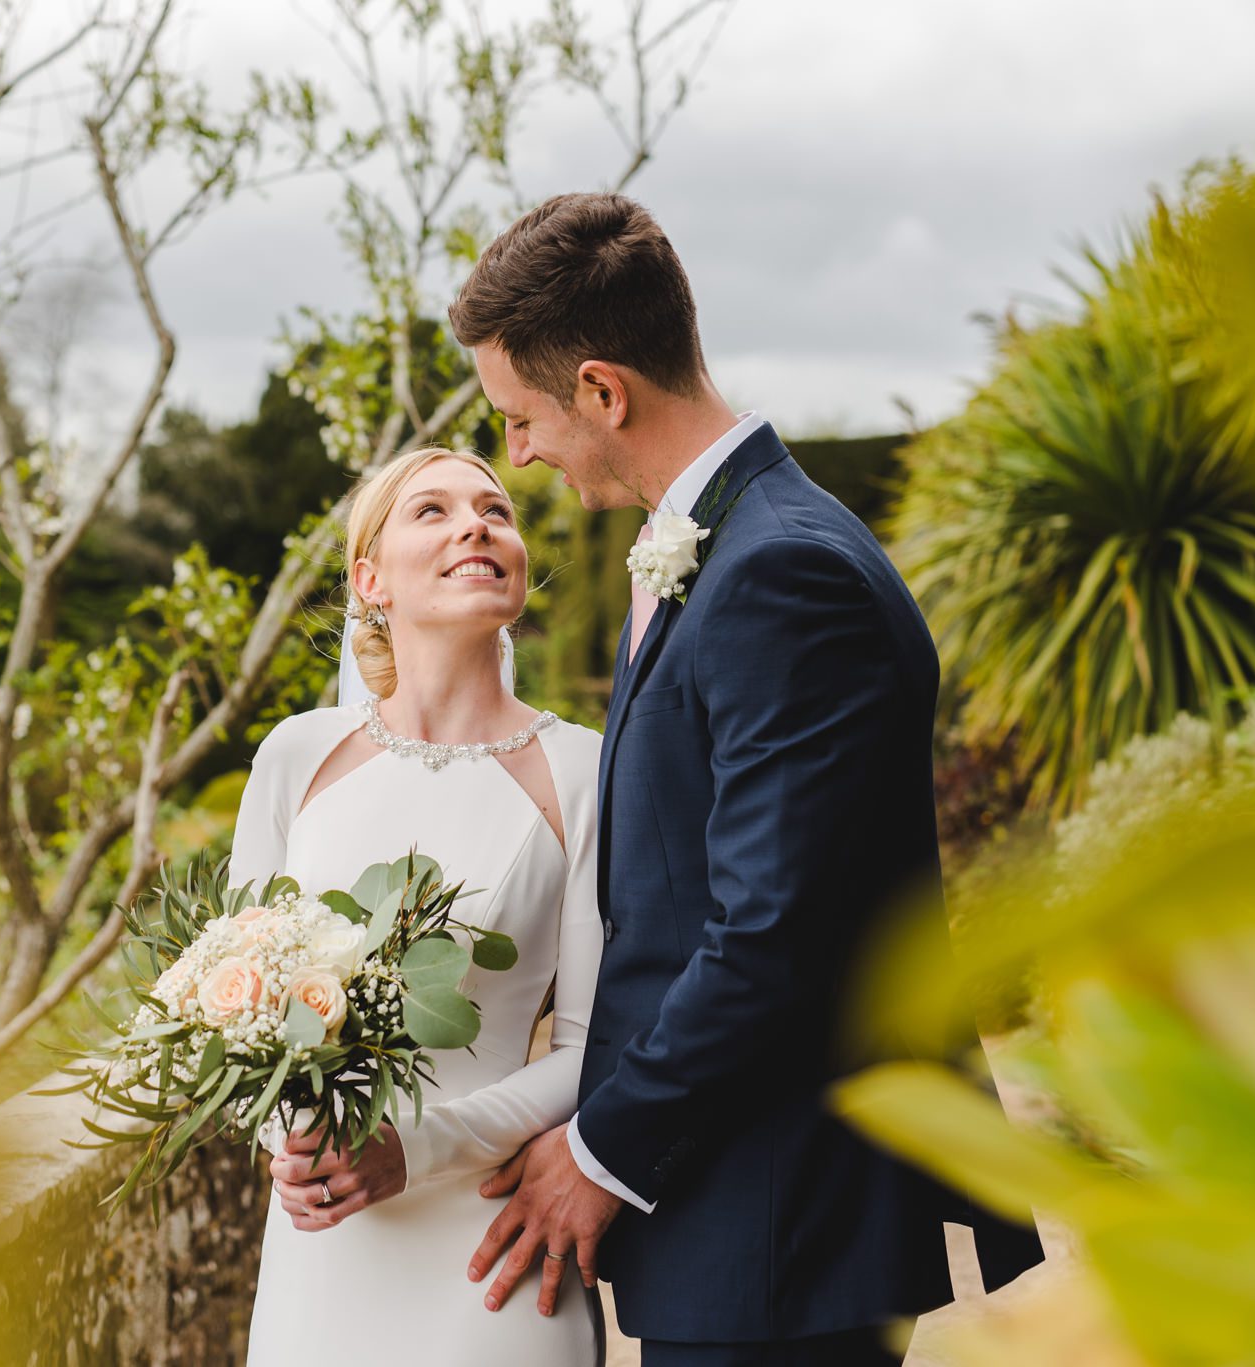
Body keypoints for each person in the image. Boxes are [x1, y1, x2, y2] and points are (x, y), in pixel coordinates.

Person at [447, 192, 1045, 1366]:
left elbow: (769, 931)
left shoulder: (782, 574)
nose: (515, 452)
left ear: (601, 392)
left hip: (778, 1224)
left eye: (517, 418)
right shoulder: (731, 545)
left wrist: (599, 1149)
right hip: (740, 1223)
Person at [232, 446, 607, 1366]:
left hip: (492, 1243)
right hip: (322, 1249)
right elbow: (233, 1004)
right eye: (431, 511)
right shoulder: (297, 756)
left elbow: (595, 1045)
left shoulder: (585, 769)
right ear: (371, 578)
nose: (476, 524)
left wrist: (419, 1144)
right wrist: (293, 1136)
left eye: (496, 510)